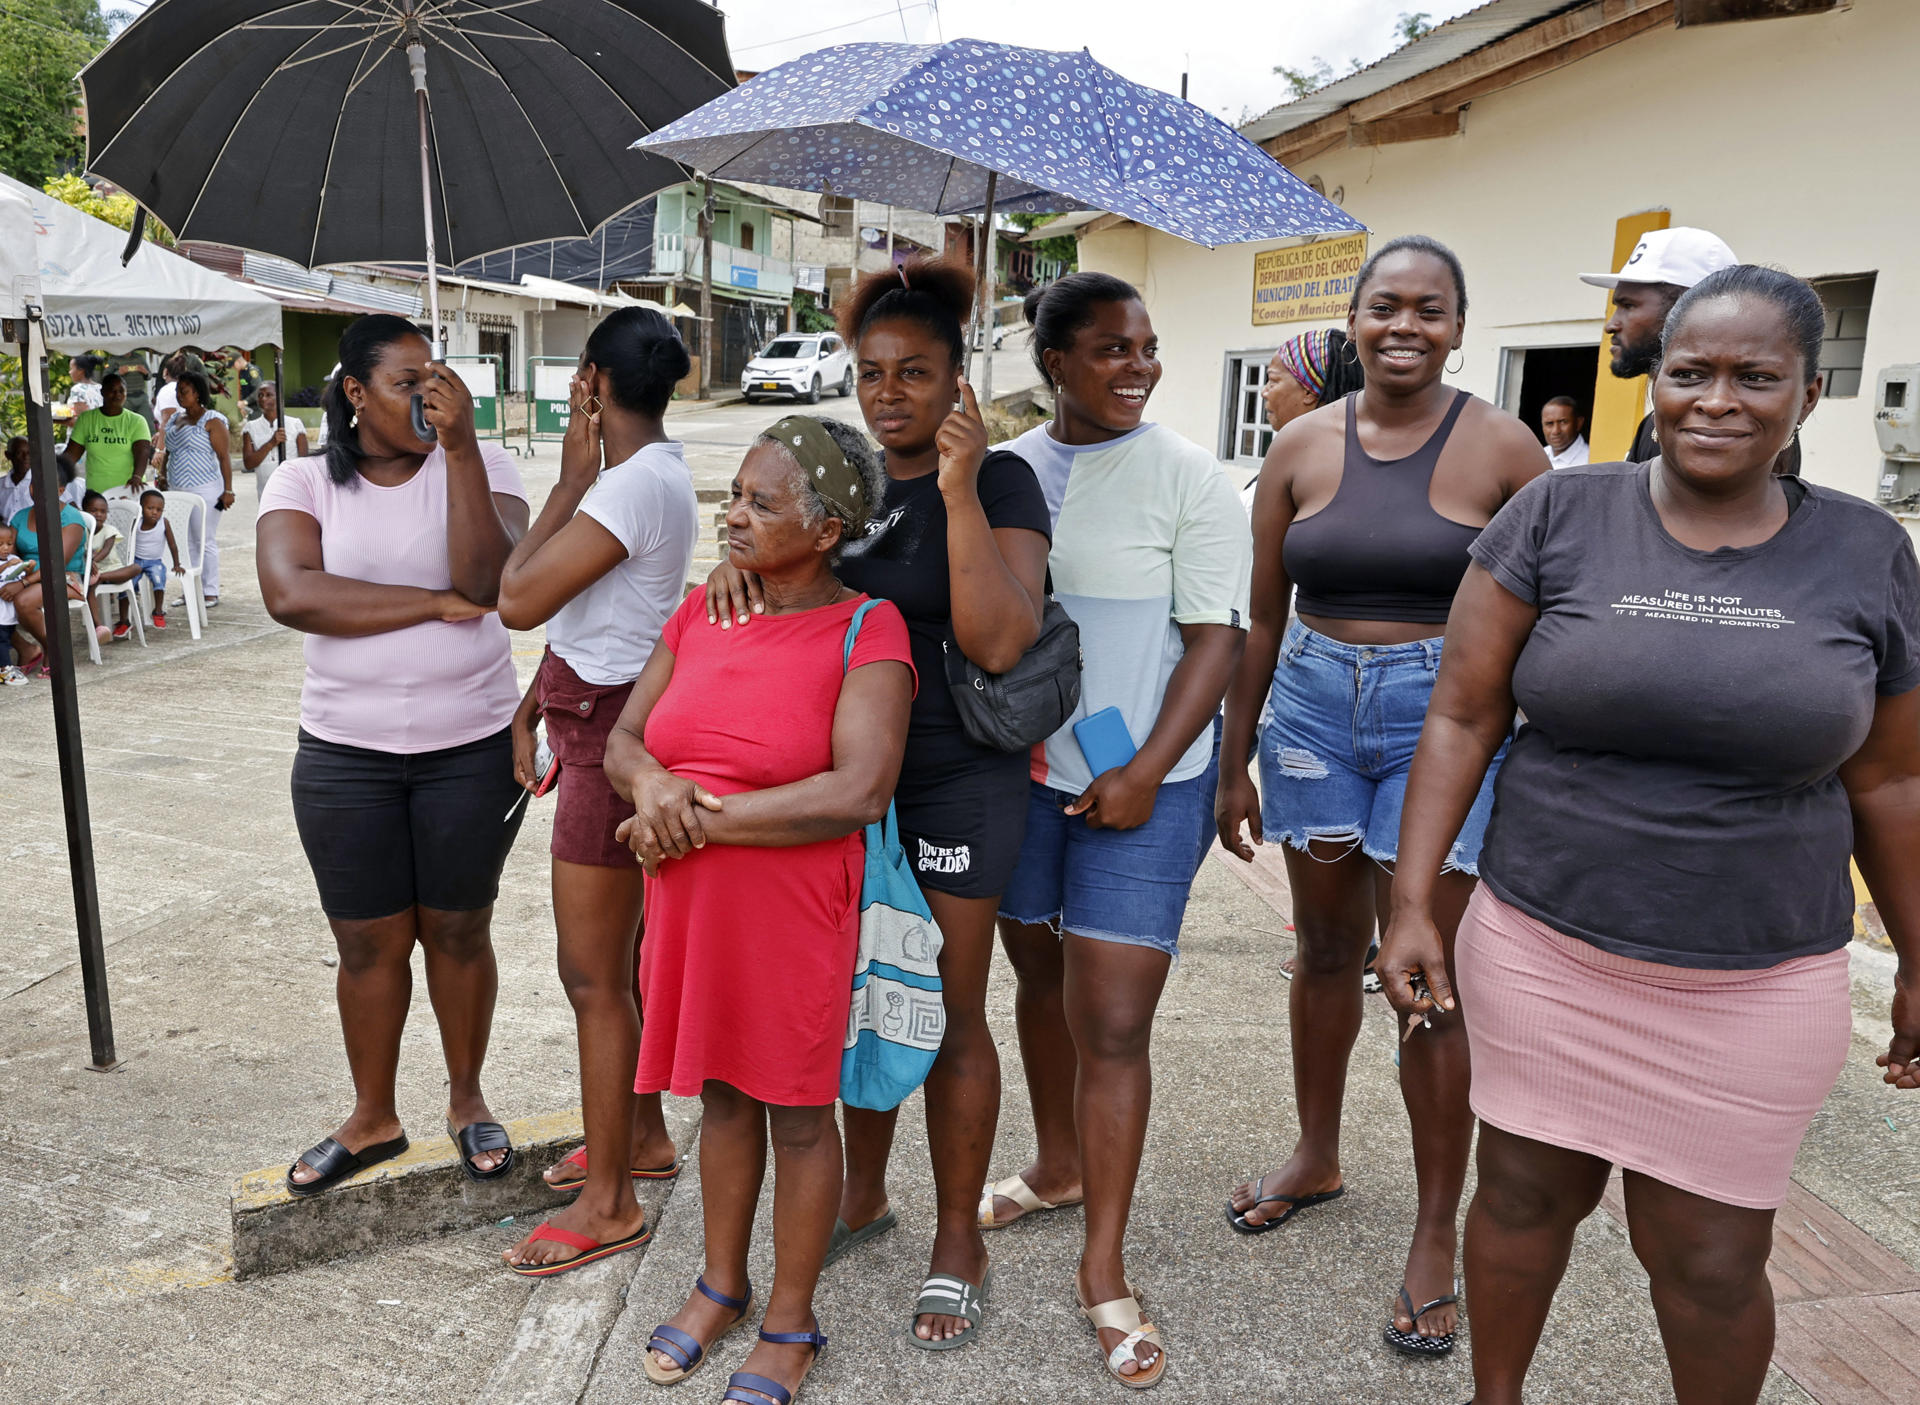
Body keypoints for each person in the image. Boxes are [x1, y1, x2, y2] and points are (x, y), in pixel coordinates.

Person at [1379, 264, 1920, 1405]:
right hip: (1546, 941)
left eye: (1753, 375)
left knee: (1712, 1255)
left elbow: (1891, 777)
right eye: (1691, 371)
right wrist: (1414, 901)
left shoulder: (1867, 553)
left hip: (1760, 972)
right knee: (1522, 1193)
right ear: (1654, 382)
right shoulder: (1559, 515)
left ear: (1807, 394)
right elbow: (1464, 715)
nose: (1717, 399)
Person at [707, 257, 1051, 1348]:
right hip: (839, 778)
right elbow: (784, 573)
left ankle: (960, 1235)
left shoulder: (998, 486)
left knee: (944, 1006)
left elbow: (1001, 639)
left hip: (953, 776)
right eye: (871, 373)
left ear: (960, 382)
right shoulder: (840, 473)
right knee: (844, 994)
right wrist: (731, 571)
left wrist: (954, 491)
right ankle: (863, 1191)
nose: (888, 393)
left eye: (916, 373)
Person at [1215, 235, 1546, 1359]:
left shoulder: (1504, 451)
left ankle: (1432, 1230)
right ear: (1353, 322)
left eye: (1430, 310)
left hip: (1440, 722)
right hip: (1310, 707)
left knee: (1425, 976)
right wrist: (1232, 757)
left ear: (1461, 326)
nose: (1405, 326)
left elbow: (1548, 619)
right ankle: (1318, 1151)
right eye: (1385, 307)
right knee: (1319, 953)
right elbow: (1258, 618)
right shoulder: (1300, 444)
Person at [608, 417, 913, 1405]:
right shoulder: (705, 610)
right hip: (692, 903)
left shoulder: (872, 629)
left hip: (790, 905)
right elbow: (623, 741)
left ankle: (790, 1315)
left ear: (827, 531)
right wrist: (654, 787)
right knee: (722, 1098)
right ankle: (719, 1283)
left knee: (795, 1111)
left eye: (760, 502)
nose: (732, 515)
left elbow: (859, 789)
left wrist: (692, 818)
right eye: (732, 495)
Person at [982, 272, 1250, 1390]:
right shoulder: (1006, 474)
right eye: (1108, 348)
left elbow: (1215, 643)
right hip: (1028, 777)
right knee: (1038, 978)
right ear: (1053, 361)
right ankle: (1055, 1164)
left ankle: (1105, 1263)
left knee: (1115, 1015)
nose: (1137, 366)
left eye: (1147, 347)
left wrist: (1146, 770)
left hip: (1153, 780)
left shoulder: (1192, 476)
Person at [256, 313, 531, 1198]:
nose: (428, 395)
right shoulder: (302, 479)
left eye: (435, 378)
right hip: (345, 755)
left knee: (458, 926)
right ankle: (372, 1114)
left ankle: (465, 1096)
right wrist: (425, 602)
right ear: (354, 392)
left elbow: (489, 584)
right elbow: (293, 592)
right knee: (368, 942)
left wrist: (460, 454)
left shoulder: (486, 466)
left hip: (472, 747)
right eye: (407, 383)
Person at [491, 308, 699, 1276]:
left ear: (591, 382)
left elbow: (518, 595)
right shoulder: (642, 478)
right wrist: (535, 699)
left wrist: (569, 479)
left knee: (595, 976)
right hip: (591, 709)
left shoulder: (628, 484)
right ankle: (640, 1138)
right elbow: (582, 614)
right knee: (625, 962)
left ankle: (612, 1197)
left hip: (613, 736)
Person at [1579, 227, 1736, 463]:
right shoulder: (1656, 424)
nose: (1611, 325)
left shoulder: (1724, 430)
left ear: (1685, 310)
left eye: (1628, 305)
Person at [1242, 328, 1368, 513]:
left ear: (1308, 391)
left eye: (1273, 381)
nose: (1264, 392)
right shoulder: (1361, 466)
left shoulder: (1292, 482)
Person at [3, 468, 89, 677]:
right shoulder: (21, 517)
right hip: (26, 574)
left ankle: (54, 650)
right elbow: (8, 555)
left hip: (64, 577)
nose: (35, 491)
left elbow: (56, 563)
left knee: (22, 601)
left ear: (60, 490)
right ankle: (27, 649)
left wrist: (22, 583)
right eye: (33, 485)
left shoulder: (71, 519)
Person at [159, 369, 233, 611]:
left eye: (185, 391)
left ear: (198, 393)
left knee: (204, 539)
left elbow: (224, 457)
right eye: (178, 391)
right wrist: (162, 476)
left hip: (206, 488)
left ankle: (210, 591)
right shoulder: (174, 419)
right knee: (182, 541)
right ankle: (189, 589)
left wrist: (228, 490)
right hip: (176, 488)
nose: (180, 396)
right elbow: (168, 452)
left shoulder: (212, 420)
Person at [62, 373, 154, 501]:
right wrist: (57, 472)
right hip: (96, 495)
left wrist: (137, 476)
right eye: (112, 390)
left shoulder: (136, 421)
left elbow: (143, 451)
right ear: (102, 392)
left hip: (127, 492)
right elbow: (71, 455)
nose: (117, 395)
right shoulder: (87, 419)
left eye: (121, 391)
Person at [130, 488, 181, 631]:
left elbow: (172, 545)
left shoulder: (164, 523)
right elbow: (129, 543)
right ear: (141, 508)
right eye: (150, 508)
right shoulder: (136, 523)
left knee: (159, 581)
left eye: (159, 509)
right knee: (129, 585)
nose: (154, 512)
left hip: (154, 562)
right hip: (136, 561)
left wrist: (177, 564)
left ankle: (158, 611)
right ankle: (127, 619)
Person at [242, 382, 310, 481]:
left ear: (279, 397)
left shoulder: (295, 424)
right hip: (264, 490)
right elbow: (248, 464)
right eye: (260, 395)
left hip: (291, 486)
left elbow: (304, 462)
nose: (263, 398)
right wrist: (271, 443)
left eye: (269, 395)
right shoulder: (250, 427)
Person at [0, 523, 29, 685]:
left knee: (8, 638)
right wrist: (6, 565)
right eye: (0, 544)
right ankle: (5, 671)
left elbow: (22, 574)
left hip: (9, 613)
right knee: (2, 641)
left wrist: (28, 566)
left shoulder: (13, 559)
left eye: (9, 544)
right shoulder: (8, 562)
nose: (5, 548)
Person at [1539, 394, 1588, 467]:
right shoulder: (1539, 457)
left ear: (1579, 423)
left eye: (1563, 422)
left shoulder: (1590, 461)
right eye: (1549, 423)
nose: (1556, 431)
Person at [2, 437, 31, 524]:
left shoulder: (43, 482)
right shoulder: (1, 484)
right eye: (19, 453)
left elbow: (69, 508)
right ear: (8, 455)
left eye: (29, 453)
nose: (25, 457)